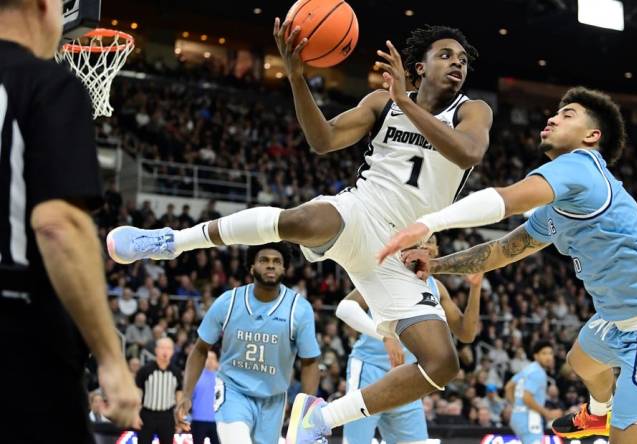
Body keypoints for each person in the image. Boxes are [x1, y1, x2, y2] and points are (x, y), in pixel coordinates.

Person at [107, 20, 492, 443]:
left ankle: (320, 420)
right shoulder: (383, 102)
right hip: (360, 212)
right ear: (418, 67)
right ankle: (171, 241)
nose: (457, 63)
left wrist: (408, 102)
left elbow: (468, 151)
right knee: (300, 220)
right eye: (445, 55)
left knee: (442, 363)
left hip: (403, 251)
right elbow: (322, 139)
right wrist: (296, 78)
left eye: (461, 60)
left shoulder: (472, 111)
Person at [381, 87, 637, 444]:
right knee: (581, 359)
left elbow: (504, 200)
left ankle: (605, 416)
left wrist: (430, 224)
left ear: (591, 136)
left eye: (568, 115)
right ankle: (598, 415)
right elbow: (504, 250)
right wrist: (436, 264)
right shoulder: (559, 206)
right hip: (616, 319)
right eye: (555, 112)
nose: (552, 118)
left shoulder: (582, 167)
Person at [0, 0, 140, 441]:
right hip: (17, 336)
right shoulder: (45, 83)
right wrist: (110, 358)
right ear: (46, 7)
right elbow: (58, 225)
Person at [336, 238, 483, 444]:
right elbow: (345, 308)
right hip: (370, 368)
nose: (425, 244)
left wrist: (475, 289)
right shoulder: (389, 272)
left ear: (437, 249)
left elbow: (466, 334)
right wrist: (386, 335)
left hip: (408, 376)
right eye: (419, 240)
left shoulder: (437, 287)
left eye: (430, 240)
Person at [175, 243, 321, 444]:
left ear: (284, 269)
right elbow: (200, 349)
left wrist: (308, 410)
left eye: (277, 261)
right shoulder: (229, 301)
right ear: (252, 267)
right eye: (264, 260)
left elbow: (310, 362)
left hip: (274, 399)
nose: (271, 265)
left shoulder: (299, 309)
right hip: (232, 391)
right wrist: (186, 394)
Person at [505, 341, 562, 444]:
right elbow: (526, 397)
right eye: (544, 353)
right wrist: (547, 413)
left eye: (550, 353)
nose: (548, 357)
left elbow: (509, 386)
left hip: (517, 416)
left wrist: (515, 405)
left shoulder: (528, 368)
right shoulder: (538, 372)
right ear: (536, 356)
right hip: (529, 418)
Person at [136, 337, 182, 444]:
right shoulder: (145, 370)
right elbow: (138, 394)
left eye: (168, 348)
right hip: (147, 414)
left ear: (172, 351)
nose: (165, 351)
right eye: (162, 348)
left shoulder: (176, 372)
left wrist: (179, 418)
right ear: (156, 350)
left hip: (167, 415)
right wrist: (135, 415)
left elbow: (179, 396)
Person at [189, 350, 220, 444]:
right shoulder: (195, 377)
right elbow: (188, 398)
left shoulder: (222, 379)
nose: (210, 361)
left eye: (213, 358)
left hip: (218, 421)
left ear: (217, 362)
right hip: (198, 419)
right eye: (207, 358)